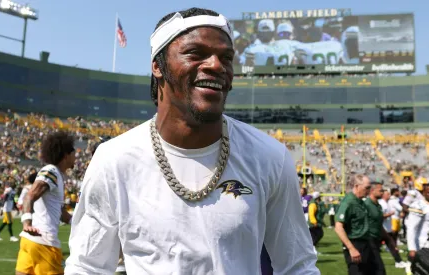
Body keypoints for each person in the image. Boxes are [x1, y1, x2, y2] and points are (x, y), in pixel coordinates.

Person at [65, 7, 319, 275]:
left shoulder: (269, 157)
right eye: (196, 54)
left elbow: (298, 267)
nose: (216, 66)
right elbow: (87, 267)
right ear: (157, 65)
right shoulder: (114, 160)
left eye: (226, 57)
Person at [15, 131, 75, 275]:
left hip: (30, 241)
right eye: (73, 152)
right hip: (44, 242)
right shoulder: (51, 171)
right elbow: (30, 196)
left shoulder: (57, 175)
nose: (76, 157)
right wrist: (26, 222)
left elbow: (60, 212)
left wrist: (80, 222)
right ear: (66, 155)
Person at [334, 174, 375, 275]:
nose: (369, 190)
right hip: (355, 243)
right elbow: (338, 227)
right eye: (367, 188)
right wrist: (351, 248)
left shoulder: (360, 201)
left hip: (365, 243)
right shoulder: (349, 202)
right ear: (357, 186)